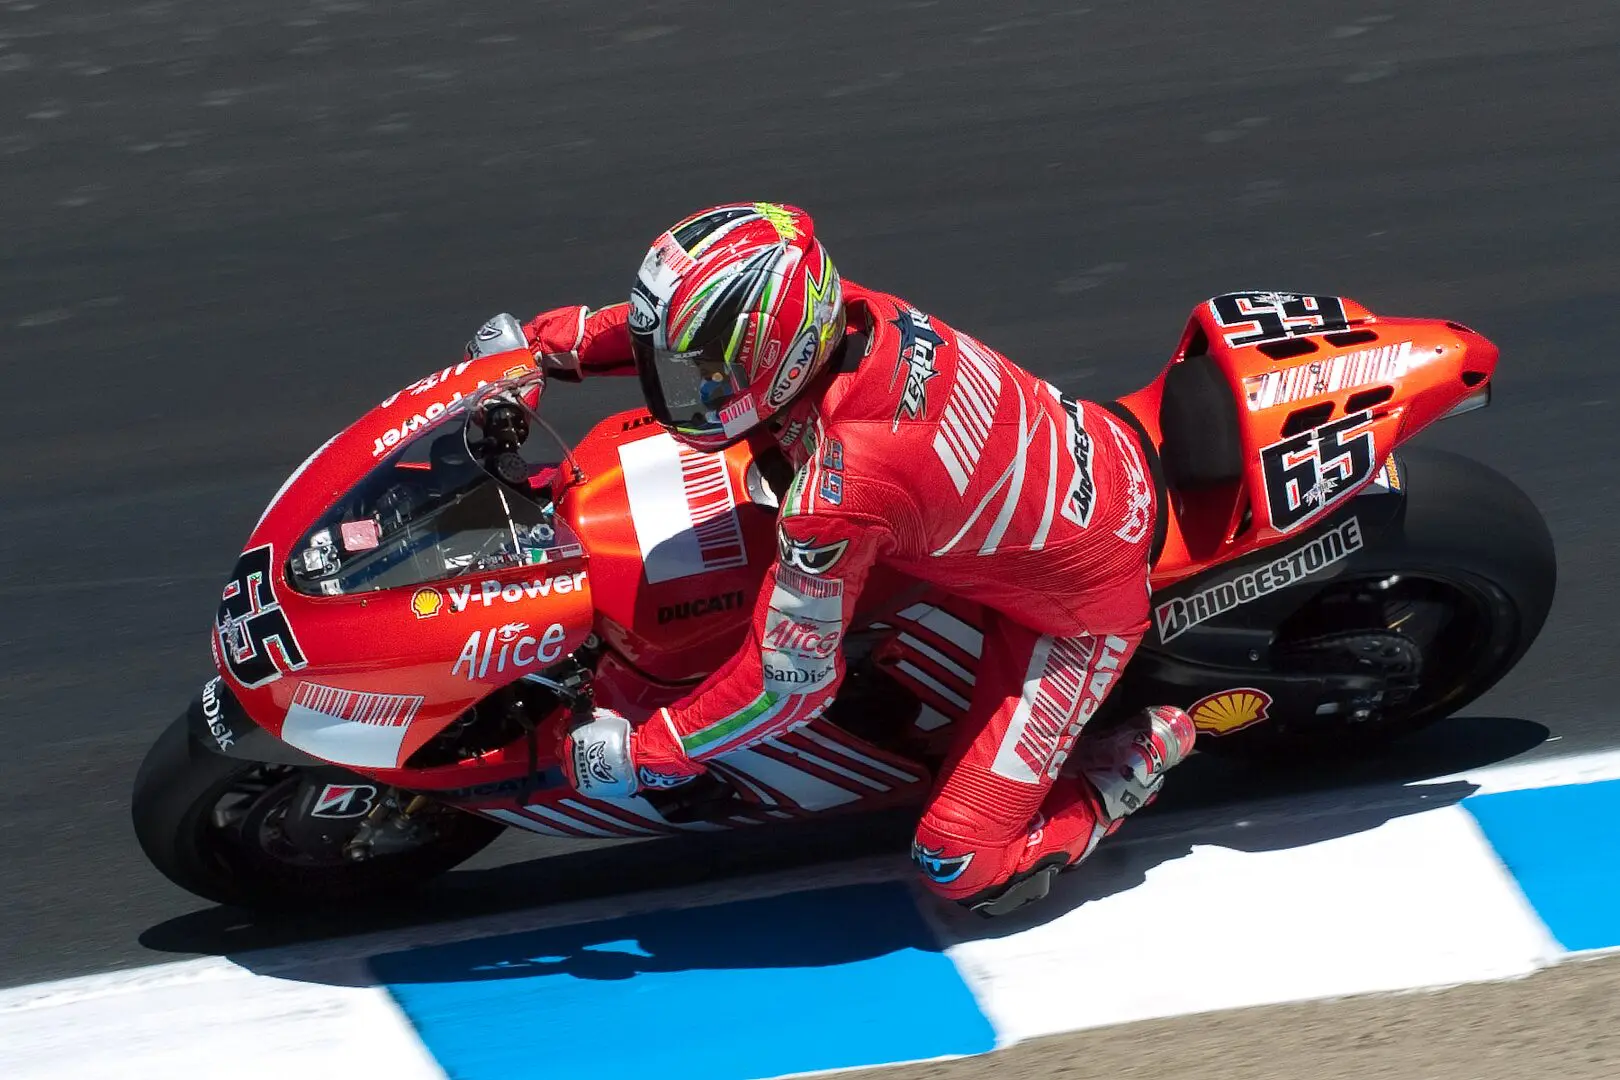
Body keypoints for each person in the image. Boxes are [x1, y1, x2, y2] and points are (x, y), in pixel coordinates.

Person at [501, 202, 1196, 915]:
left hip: (1080, 606)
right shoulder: (841, 308)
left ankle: (1122, 772)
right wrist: (546, 345)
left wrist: (651, 752)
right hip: (1065, 464)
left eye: (703, 372)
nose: (684, 385)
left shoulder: (840, 489)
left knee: (960, 862)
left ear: (780, 356)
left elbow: (790, 688)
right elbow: (678, 328)